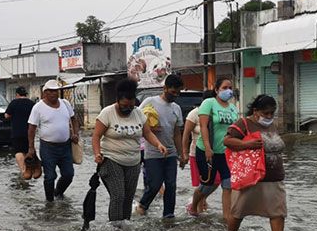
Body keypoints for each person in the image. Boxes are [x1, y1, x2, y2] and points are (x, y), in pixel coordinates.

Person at [92, 78, 167, 222]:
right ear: (118, 100)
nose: (128, 108)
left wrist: (158, 145)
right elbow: (96, 136)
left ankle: (125, 227)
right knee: (118, 196)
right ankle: (115, 229)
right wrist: (97, 153)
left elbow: (148, 133)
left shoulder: (138, 113)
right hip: (111, 159)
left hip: (133, 162)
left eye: (131, 105)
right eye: (124, 105)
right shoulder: (107, 113)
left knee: (128, 197)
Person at [223, 95, 286, 231]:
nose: (269, 116)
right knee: (238, 212)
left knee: (278, 213)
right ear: (256, 111)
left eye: (272, 113)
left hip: (274, 177)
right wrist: (246, 144)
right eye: (266, 113)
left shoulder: (272, 125)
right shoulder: (244, 123)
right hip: (251, 178)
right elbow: (227, 141)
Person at [187, 78, 239, 223]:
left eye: (230, 87)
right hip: (206, 150)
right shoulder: (209, 103)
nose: (228, 90)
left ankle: (227, 217)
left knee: (227, 184)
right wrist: (208, 148)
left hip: (226, 153)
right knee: (207, 184)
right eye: (225, 87)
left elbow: (235, 130)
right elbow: (203, 126)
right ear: (216, 90)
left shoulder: (233, 108)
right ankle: (194, 205)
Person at [136, 74, 186, 218]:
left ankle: (168, 215)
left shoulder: (176, 108)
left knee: (171, 185)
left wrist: (181, 153)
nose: (175, 95)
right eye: (173, 92)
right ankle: (143, 205)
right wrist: (149, 129)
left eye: (178, 92)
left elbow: (177, 133)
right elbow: (137, 121)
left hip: (170, 153)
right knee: (155, 184)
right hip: (152, 152)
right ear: (165, 88)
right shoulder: (150, 102)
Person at [27, 79, 80, 202]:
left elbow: (74, 119)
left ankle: (58, 193)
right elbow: (31, 128)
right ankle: (49, 202)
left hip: (65, 146)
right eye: (50, 91)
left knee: (68, 174)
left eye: (55, 91)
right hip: (48, 147)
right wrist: (31, 147)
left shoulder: (65, 103)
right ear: (45, 93)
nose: (53, 94)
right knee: (50, 176)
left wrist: (75, 133)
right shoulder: (38, 107)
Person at [181, 90, 221, 213]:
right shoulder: (195, 114)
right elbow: (186, 134)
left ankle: (198, 202)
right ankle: (197, 211)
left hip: (216, 154)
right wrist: (185, 153)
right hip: (197, 154)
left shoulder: (217, 114)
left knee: (216, 181)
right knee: (203, 183)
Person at [5, 86, 35, 177]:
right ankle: (27, 168)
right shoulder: (31, 103)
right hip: (29, 131)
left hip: (16, 131)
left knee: (18, 151)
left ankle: (23, 170)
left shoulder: (13, 103)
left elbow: (6, 115)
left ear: (17, 94)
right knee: (26, 151)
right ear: (25, 94)